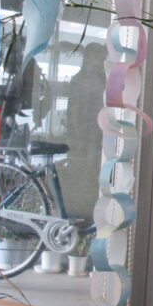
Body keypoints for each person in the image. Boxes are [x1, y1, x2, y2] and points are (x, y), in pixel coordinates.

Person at [63, 43, 107, 217]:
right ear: (88, 57)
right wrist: (78, 137)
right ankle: (83, 211)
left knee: (94, 169)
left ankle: (93, 209)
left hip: (97, 133)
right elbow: (74, 111)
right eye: (99, 57)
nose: (101, 61)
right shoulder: (80, 80)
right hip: (85, 134)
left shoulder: (100, 77)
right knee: (85, 170)